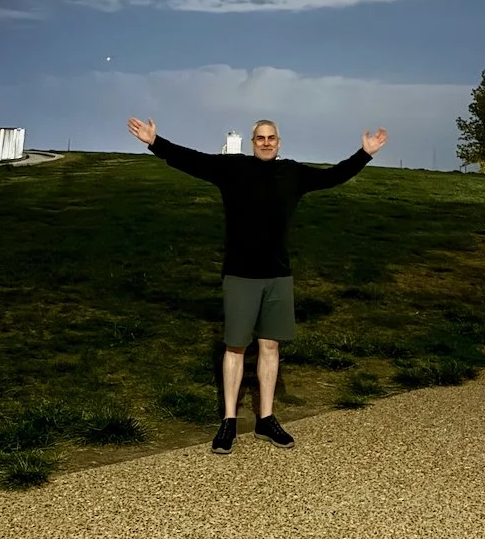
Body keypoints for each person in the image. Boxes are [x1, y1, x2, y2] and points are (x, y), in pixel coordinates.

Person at [126, 115, 388, 455]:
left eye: (271, 137)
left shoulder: (293, 173)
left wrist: (364, 154)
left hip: (278, 276)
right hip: (240, 274)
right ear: (252, 143)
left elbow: (332, 176)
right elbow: (191, 160)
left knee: (270, 347)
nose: (266, 142)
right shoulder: (233, 169)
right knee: (235, 347)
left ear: (279, 142)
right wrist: (154, 142)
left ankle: (266, 418)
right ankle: (229, 422)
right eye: (260, 138)